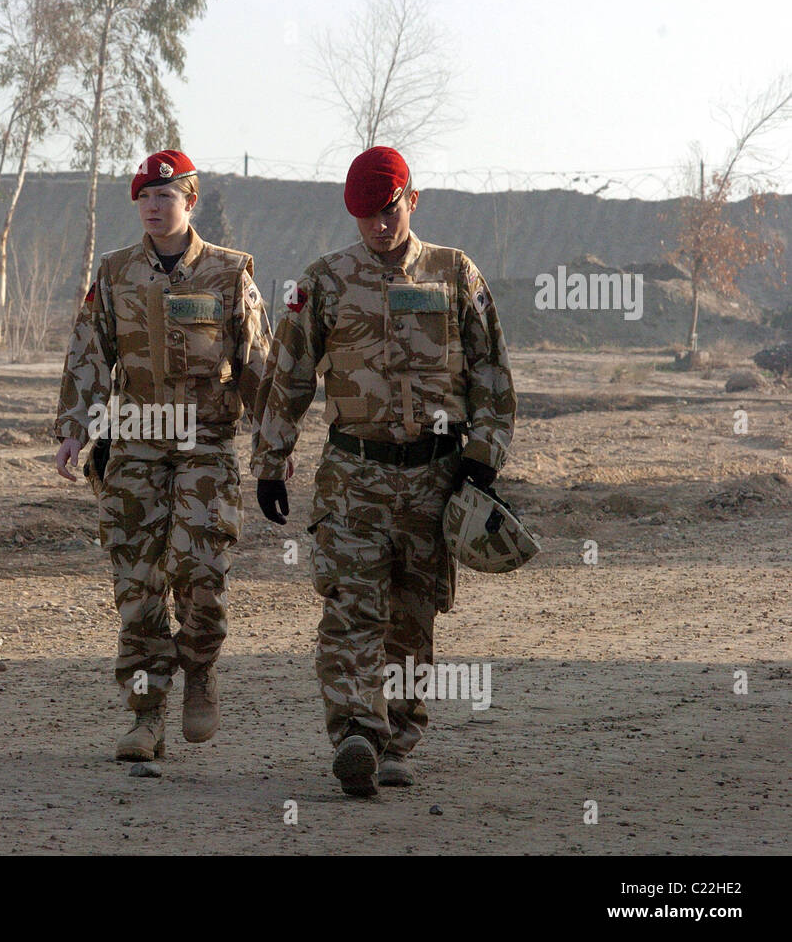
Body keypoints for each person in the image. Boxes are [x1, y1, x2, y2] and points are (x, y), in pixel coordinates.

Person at [251, 146, 516, 796]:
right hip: (353, 475)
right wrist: (270, 461)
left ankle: (398, 735)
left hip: (434, 476)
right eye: (365, 214)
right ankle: (356, 734)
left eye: (388, 208)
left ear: (412, 200)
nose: (378, 223)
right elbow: (288, 378)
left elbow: (491, 371)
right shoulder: (324, 281)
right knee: (349, 608)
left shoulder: (457, 274)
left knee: (411, 615)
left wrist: (484, 455)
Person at [54, 150, 274, 762]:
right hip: (135, 441)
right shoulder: (117, 272)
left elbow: (259, 365)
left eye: (166, 196)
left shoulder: (230, 275)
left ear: (190, 200)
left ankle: (200, 667)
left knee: (201, 567)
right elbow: (89, 356)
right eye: (145, 197)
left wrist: (273, 448)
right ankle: (146, 715)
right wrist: (75, 428)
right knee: (137, 579)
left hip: (205, 442)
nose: (153, 207)